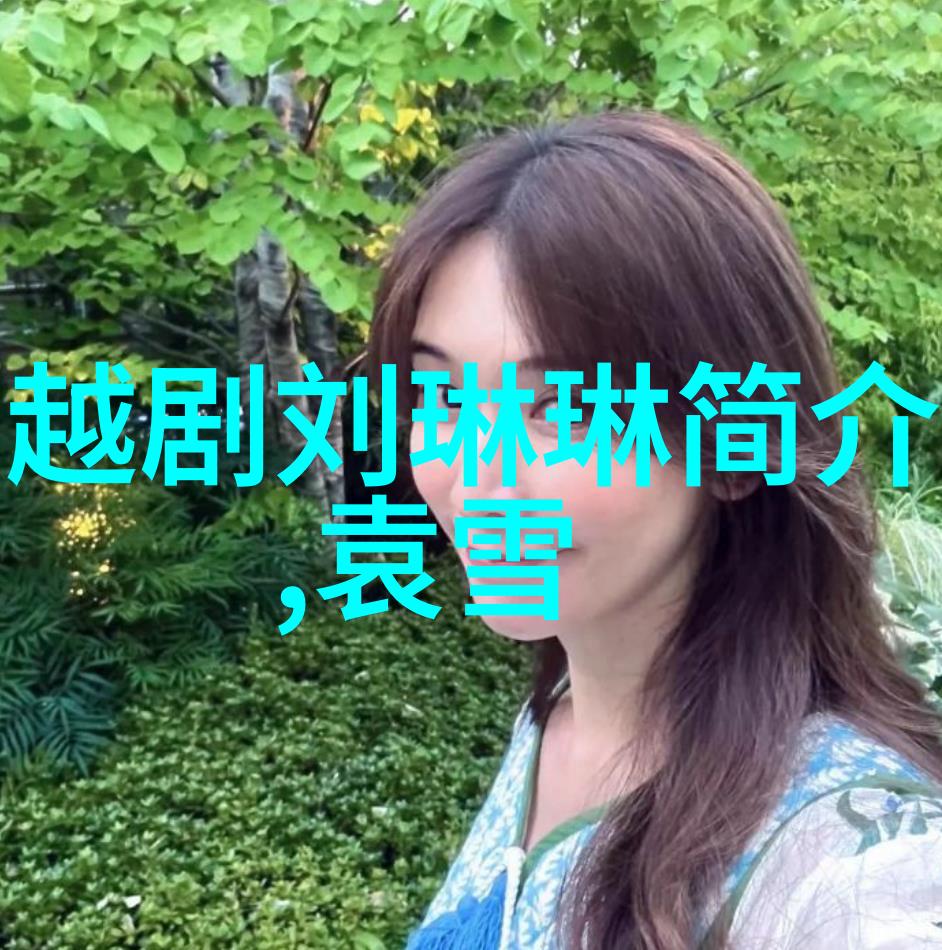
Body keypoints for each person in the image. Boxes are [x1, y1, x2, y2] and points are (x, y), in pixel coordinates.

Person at [364, 109, 942, 949]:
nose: (476, 475)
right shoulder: (559, 716)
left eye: (562, 406)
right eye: (443, 396)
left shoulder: (856, 861)